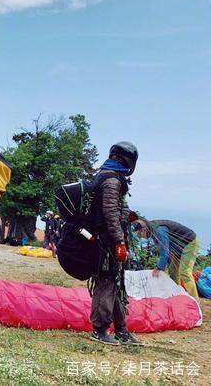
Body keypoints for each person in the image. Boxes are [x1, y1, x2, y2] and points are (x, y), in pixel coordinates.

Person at [89, 142, 142, 346]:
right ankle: (99, 329)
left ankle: (121, 329)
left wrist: (128, 216)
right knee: (107, 282)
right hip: (107, 241)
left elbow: (118, 208)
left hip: (111, 239)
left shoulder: (111, 176)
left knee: (117, 283)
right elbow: (110, 213)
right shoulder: (111, 180)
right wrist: (119, 240)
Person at [131, 219, 200, 298]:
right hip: (177, 247)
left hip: (189, 243)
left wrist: (159, 268)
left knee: (184, 272)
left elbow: (164, 251)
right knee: (172, 271)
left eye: (139, 234)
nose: (140, 237)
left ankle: (194, 300)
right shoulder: (152, 230)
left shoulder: (159, 230)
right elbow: (166, 249)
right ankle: (176, 296)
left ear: (143, 230)